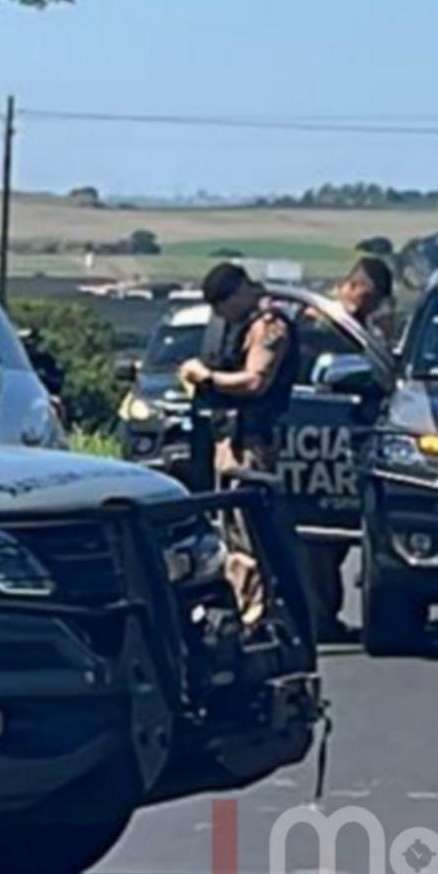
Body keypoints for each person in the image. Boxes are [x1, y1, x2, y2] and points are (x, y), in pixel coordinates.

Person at [179, 263, 303, 626]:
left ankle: (260, 615)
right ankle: (244, 607)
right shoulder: (239, 324)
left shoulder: (270, 325)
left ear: (239, 293)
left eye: (222, 304)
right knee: (230, 533)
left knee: (253, 535)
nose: (220, 315)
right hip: (228, 439)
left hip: (253, 444)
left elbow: (255, 382)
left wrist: (210, 378)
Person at [306, 256, 396, 642]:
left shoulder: (360, 329)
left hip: (352, 439)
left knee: (336, 539)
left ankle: (323, 615)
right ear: (353, 286)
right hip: (317, 440)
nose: (372, 306)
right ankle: (318, 618)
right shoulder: (322, 326)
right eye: (370, 296)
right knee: (319, 537)